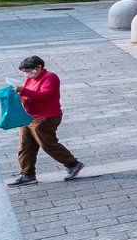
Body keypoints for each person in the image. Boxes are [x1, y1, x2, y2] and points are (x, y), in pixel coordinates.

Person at [12, 56, 84, 186]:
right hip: (28, 116)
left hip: (46, 117)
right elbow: (27, 93)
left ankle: (72, 164)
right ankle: (27, 174)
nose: (27, 74)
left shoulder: (50, 77)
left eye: (29, 71)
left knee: (48, 144)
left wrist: (24, 91)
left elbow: (46, 95)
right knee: (25, 146)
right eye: (24, 72)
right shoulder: (29, 79)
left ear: (39, 67)